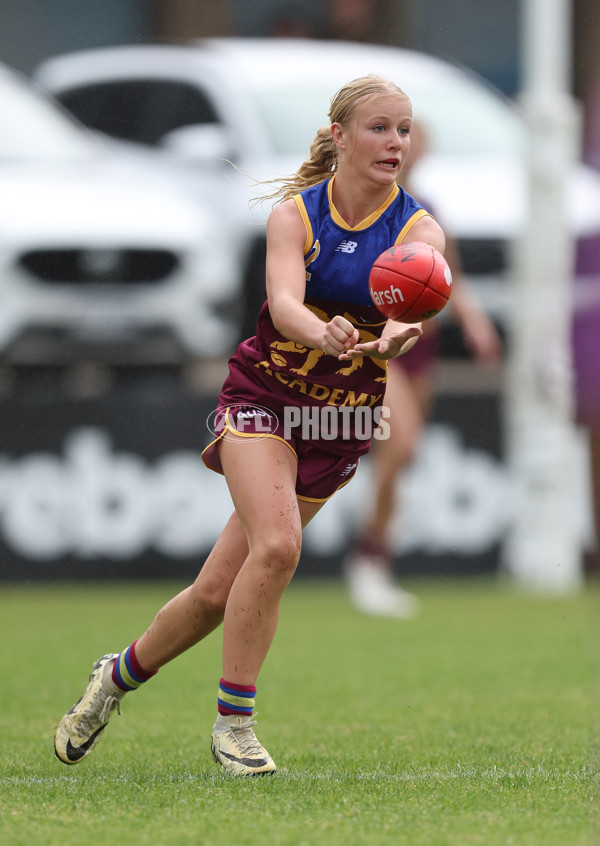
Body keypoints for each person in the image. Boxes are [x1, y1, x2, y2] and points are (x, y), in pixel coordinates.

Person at [53, 75, 446, 776]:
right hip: (265, 399)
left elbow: (412, 306)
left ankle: (113, 678)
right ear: (340, 136)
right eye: (380, 128)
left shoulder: (418, 229)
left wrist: (394, 337)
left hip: (340, 422)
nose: (396, 143)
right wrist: (322, 334)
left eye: (404, 130)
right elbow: (285, 304)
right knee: (280, 546)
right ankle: (235, 725)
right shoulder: (296, 216)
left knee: (213, 593)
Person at [344, 122, 502, 618]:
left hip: (422, 349)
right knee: (403, 441)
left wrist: (475, 323)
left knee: (401, 459)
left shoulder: (427, 208)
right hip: (381, 347)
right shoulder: (363, 206)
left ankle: (377, 556)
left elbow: (448, 275)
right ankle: (367, 558)